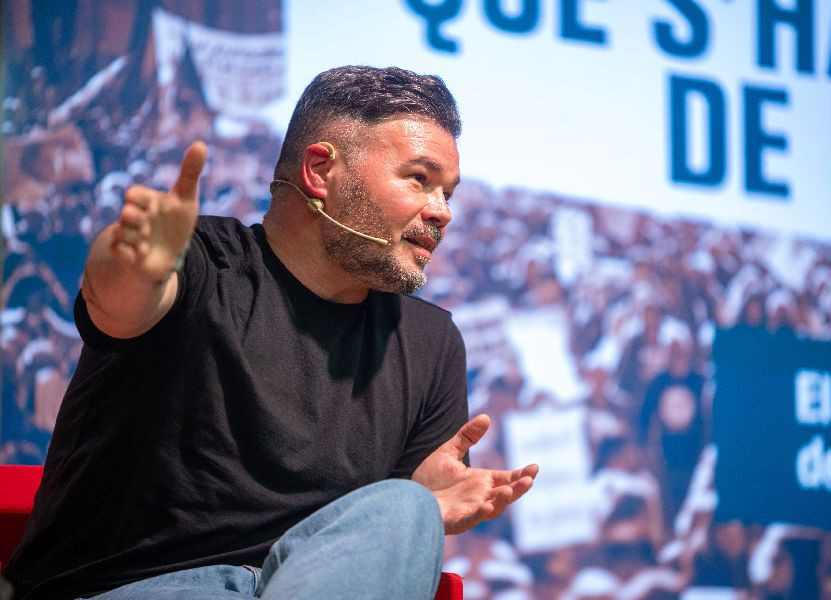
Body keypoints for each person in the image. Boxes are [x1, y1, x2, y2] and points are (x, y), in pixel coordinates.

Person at [3, 65, 538, 600]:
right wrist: (134, 263)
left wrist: (420, 505)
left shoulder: (431, 341)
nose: (442, 213)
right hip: (139, 589)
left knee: (405, 507)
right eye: (419, 179)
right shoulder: (200, 262)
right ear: (320, 170)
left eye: (448, 193)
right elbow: (119, 300)